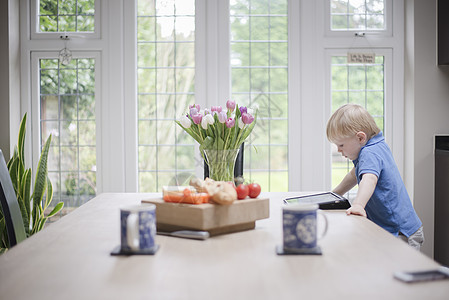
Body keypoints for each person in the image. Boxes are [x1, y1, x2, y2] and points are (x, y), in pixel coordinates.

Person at [326, 103, 424, 251]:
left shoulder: (369, 153)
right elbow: (354, 175)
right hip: (399, 228)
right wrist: (334, 194)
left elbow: (369, 179)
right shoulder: (375, 145)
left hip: (400, 232)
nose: (339, 150)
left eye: (341, 145)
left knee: (397, 270)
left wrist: (358, 205)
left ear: (360, 138)